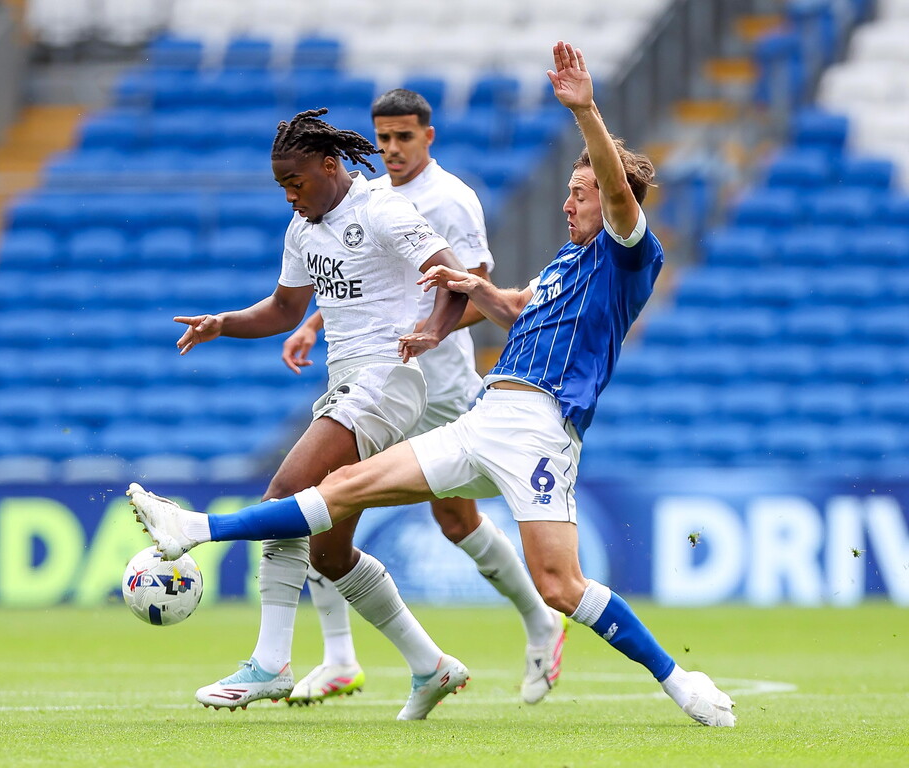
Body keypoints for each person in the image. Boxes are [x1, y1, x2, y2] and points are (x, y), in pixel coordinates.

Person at [129, 42, 736, 727]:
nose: (570, 204)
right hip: (483, 415)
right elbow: (513, 310)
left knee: (560, 585)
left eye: (580, 193)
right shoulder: (564, 265)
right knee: (338, 493)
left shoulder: (628, 254)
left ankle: (680, 680)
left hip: (541, 430)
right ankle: (197, 530)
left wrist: (586, 109)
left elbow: (619, 195)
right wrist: (475, 290)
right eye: (567, 192)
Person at [166, 106, 474, 721]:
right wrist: (223, 323)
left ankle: (270, 663)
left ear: (330, 166)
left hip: (388, 379)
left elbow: (455, 279)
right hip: (348, 383)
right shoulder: (303, 228)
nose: (289, 195)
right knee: (329, 553)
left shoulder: (382, 210)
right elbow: (284, 309)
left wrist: (434, 332)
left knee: (286, 492)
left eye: (297, 182)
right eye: (281, 186)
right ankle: (432, 665)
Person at [280, 89, 566, 707]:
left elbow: (477, 290)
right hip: (380, 383)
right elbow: (363, 288)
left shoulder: (450, 199)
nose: (391, 150)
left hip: (441, 387)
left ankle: (542, 618)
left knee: (454, 517)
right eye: (382, 139)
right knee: (324, 502)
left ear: (427, 137)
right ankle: (338, 657)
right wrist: (313, 323)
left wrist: (427, 329)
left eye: (403, 138)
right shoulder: (361, 202)